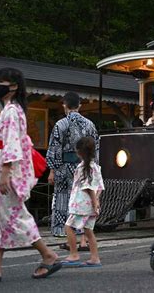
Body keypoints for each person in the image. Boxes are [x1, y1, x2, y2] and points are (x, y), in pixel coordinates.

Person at [0, 68, 61, 283]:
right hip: (0, 166)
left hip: (3, 168)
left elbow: (11, 142)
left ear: (14, 86)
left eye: (2, 81)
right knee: (0, 216)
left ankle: (48, 254)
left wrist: (5, 172)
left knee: (13, 215)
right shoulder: (12, 109)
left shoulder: (12, 111)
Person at [46, 91, 99, 252]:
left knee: (65, 201)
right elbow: (95, 148)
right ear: (79, 106)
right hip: (84, 166)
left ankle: (70, 240)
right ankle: (83, 240)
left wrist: (52, 170)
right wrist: (93, 167)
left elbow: (54, 149)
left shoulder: (61, 124)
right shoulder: (90, 124)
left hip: (64, 167)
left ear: (64, 105)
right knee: (84, 202)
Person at [62, 137, 104, 267]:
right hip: (91, 206)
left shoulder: (82, 168)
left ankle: (74, 254)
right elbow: (99, 187)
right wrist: (96, 201)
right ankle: (95, 258)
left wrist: (93, 201)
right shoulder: (96, 167)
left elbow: (88, 188)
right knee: (88, 231)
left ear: (79, 152)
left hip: (81, 204)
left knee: (68, 227)